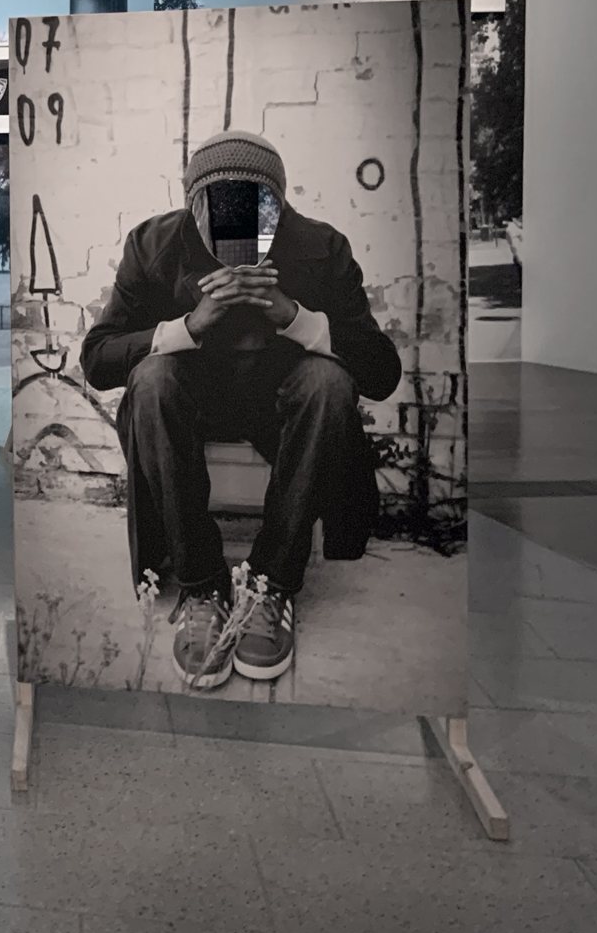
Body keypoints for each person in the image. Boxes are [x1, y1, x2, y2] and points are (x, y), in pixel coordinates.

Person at [80, 130, 401, 690]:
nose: (240, 225)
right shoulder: (153, 246)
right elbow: (99, 360)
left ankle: (271, 584)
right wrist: (187, 326)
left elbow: (381, 372)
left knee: (328, 381)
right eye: (221, 209)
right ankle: (202, 585)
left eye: (257, 208)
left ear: (280, 203)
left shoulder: (321, 247)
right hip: (191, 401)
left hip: (281, 404)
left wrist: (296, 317)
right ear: (193, 204)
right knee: (150, 379)